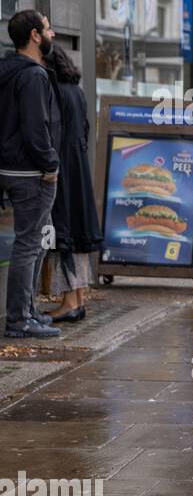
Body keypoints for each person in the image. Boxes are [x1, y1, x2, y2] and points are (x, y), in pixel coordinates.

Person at [0, 10, 61, 340]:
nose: (54, 34)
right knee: (29, 244)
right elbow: (36, 127)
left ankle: (28, 311)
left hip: (11, 168)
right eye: (49, 29)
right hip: (30, 172)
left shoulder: (7, 71)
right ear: (36, 36)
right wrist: (50, 165)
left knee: (34, 242)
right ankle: (19, 318)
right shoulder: (34, 76)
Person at [43, 43, 102, 324]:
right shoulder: (76, 92)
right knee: (76, 234)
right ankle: (76, 299)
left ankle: (68, 302)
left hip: (62, 170)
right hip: (78, 167)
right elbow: (86, 131)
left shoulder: (55, 93)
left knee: (63, 233)